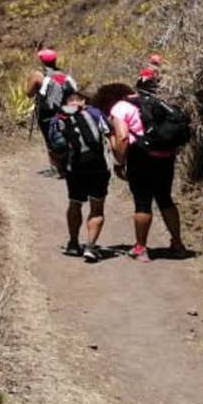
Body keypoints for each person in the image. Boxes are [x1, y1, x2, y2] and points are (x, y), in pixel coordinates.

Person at [105, 70, 188, 263]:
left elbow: (123, 137)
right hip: (165, 157)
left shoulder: (122, 106)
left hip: (140, 157)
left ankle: (141, 248)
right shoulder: (165, 104)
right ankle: (177, 244)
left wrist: (119, 162)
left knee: (142, 202)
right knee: (165, 199)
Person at [48, 90, 111, 262]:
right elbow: (110, 135)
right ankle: (90, 247)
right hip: (99, 167)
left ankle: (73, 243)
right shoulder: (96, 114)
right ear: (83, 101)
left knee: (75, 204)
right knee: (97, 208)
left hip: (74, 168)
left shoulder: (58, 119)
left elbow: (54, 148)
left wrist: (60, 168)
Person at [29, 48, 78, 172]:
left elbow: (29, 93)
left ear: (42, 61)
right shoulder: (64, 75)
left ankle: (56, 167)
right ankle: (68, 164)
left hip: (47, 112)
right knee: (66, 136)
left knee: (50, 139)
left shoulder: (38, 76)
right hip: (65, 111)